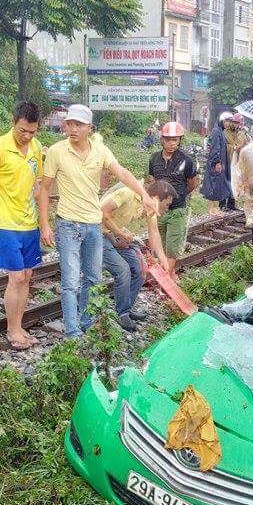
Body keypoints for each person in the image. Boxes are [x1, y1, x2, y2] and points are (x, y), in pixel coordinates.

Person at [37, 104, 156, 338]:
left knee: (93, 278)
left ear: (89, 128)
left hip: (93, 226)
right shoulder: (57, 151)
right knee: (71, 280)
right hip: (68, 223)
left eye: (79, 125)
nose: (73, 129)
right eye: (70, 124)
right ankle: (72, 331)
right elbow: (44, 188)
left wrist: (143, 194)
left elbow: (122, 173)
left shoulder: (100, 150)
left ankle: (86, 321)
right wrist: (44, 223)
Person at [0, 101, 43, 350]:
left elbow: (37, 181)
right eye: (22, 130)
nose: (26, 136)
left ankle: (18, 325)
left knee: (27, 276)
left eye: (32, 132)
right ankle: (12, 329)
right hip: (5, 223)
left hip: (29, 222)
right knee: (16, 276)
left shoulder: (36, 148)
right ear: (13, 123)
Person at [100, 179, 175, 331]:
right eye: (166, 204)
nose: (167, 209)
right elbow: (102, 212)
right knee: (123, 270)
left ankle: (126, 309)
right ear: (155, 198)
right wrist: (120, 233)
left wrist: (163, 261)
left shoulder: (149, 207)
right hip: (96, 233)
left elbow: (154, 233)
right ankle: (122, 314)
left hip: (113, 234)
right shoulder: (128, 194)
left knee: (141, 270)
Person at [149, 121, 199, 278]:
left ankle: (164, 279)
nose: (171, 143)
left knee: (173, 247)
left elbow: (192, 183)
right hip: (159, 210)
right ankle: (170, 274)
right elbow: (152, 180)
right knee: (161, 246)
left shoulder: (187, 160)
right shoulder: (154, 159)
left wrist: (179, 195)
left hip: (178, 209)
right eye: (168, 139)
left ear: (179, 140)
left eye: (175, 140)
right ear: (162, 140)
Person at [201, 112, 233, 216]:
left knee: (217, 185)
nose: (228, 123)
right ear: (221, 121)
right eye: (226, 121)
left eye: (229, 121)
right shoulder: (216, 132)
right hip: (216, 163)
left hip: (219, 162)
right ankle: (212, 208)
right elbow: (215, 149)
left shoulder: (220, 131)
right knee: (213, 185)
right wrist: (217, 162)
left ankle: (215, 208)